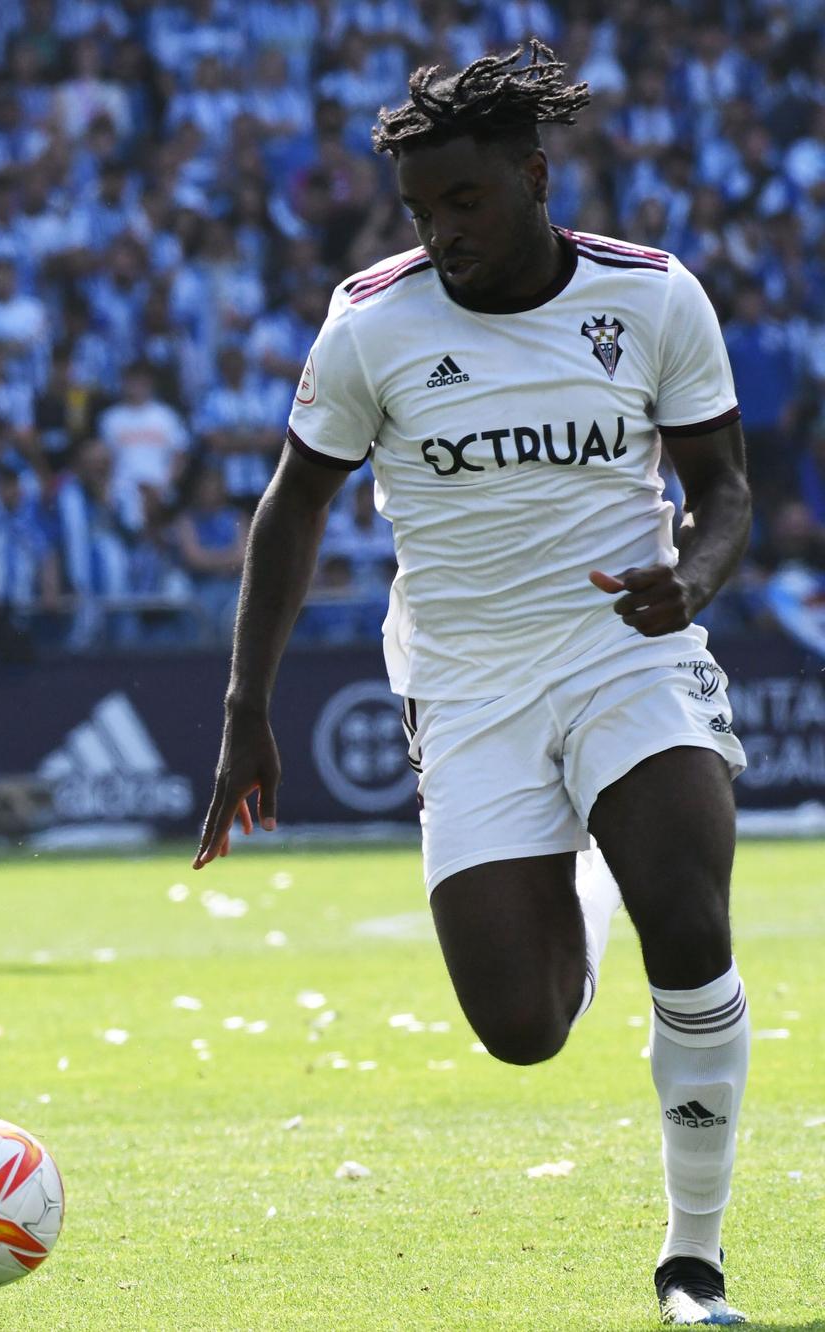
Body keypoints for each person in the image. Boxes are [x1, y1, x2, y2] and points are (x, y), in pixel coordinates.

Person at [194, 42, 755, 1327]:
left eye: (463, 205)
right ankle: (591, 878)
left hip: (628, 647)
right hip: (465, 683)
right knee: (522, 1026)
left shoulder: (654, 298)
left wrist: (697, 579)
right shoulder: (370, 322)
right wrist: (244, 713)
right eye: (418, 214)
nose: (440, 236)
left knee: (693, 911)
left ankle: (692, 1262)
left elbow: (722, 492)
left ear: (531, 176)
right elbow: (288, 516)